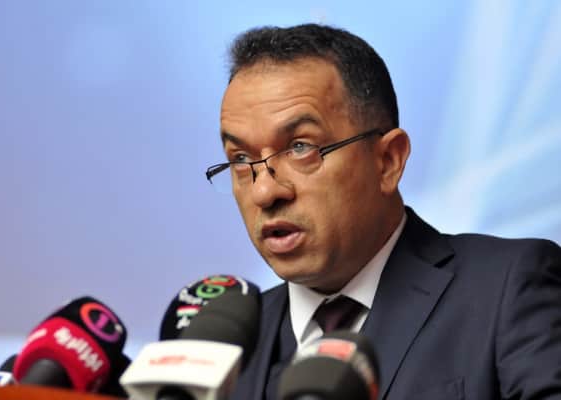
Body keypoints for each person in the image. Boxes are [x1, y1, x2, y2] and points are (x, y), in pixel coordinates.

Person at [205, 24, 561, 400]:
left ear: (388, 161)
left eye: (300, 147)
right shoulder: (227, 349)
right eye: (240, 159)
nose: (264, 191)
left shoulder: (505, 289)